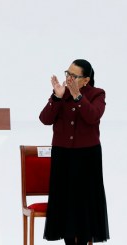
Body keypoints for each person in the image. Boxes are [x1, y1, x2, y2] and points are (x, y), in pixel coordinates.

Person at [39, 59, 109, 245]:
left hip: (87, 157)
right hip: (63, 156)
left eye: (74, 76)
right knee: (65, 206)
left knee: (85, 207)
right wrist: (56, 97)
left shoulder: (96, 94)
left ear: (86, 80)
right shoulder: (62, 93)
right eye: (67, 73)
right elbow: (45, 119)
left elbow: (93, 116)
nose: (68, 78)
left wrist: (78, 96)